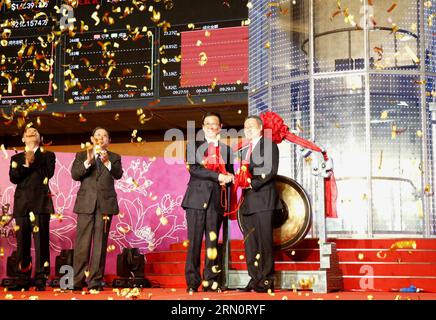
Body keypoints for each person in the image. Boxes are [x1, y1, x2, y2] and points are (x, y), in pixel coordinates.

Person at [181, 112, 234, 293]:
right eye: (208, 124)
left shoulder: (227, 150)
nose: (212, 127)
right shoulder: (193, 146)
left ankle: (211, 282)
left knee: (213, 244)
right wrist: (218, 175)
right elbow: (194, 170)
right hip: (195, 200)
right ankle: (192, 282)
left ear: (220, 127)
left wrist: (230, 177)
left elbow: (231, 174)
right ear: (203, 127)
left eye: (215, 124)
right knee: (194, 243)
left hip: (216, 202)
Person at [71, 127, 123, 291]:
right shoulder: (81, 155)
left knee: (100, 245)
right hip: (86, 203)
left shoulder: (115, 157)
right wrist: (89, 160)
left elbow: (118, 174)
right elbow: (75, 174)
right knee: (82, 244)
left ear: (109, 141)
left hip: (105, 205)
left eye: (105, 135)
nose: (101, 137)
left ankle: (95, 281)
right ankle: (77, 281)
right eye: (98, 135)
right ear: (92, 139)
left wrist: (107, 161)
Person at [238, 115, 282, 293]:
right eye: (245, 127)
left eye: (251, 126)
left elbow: (270, 170)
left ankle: (266, 279)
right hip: (247, 202)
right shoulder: (244, 150)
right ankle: (254, 278)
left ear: (260, 128)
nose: (248, 129)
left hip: (263, 199)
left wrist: (251, 183)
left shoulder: (269, 145)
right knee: (250, 243)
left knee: (264, 242)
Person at [9, 125, 56, 291]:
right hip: (22, 204)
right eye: (27, 132)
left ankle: (41, 278)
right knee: (22, 244)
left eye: (35, 131)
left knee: (41, 242)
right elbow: (14, 178)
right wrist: (26, 164)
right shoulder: (16, 159)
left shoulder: (48, 155)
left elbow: (48, 174)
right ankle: (22, 278)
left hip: (41, 204)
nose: (31, 132)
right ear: (23, 139)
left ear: (40, 138)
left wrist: (33, 160)